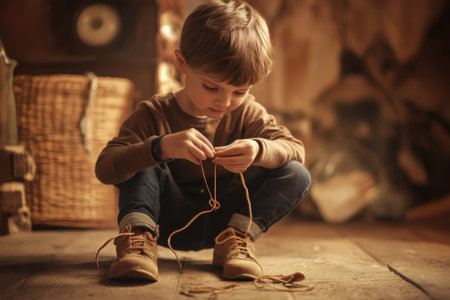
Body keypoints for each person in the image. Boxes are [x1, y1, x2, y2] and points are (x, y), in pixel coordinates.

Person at [95, 0, 311, 281]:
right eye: (212, 87)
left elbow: (296, 150)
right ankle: (137, 242)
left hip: (227, 222)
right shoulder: (154, 113)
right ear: (181, 62)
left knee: (296, 173)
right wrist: (161, 148)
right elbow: (105, 167)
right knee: (145, 153)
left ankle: (237, 240)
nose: (225, 101)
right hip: (165, 219)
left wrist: (259, 149)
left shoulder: (247, 113)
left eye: (239, 91)